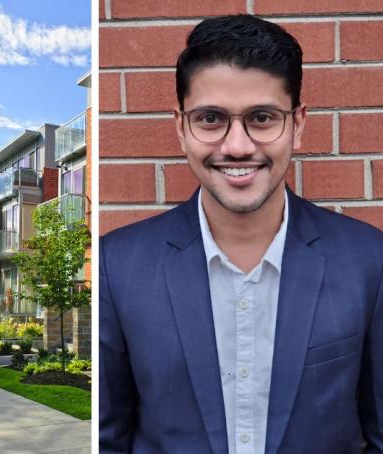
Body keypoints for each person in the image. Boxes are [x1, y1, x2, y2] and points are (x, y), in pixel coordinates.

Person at [100, 15, 383, 453]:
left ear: (298, 123)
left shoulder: (368, 260)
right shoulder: (116, 267)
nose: (237, 146)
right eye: (211, 118)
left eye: (263, 117)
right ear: (180, 127)